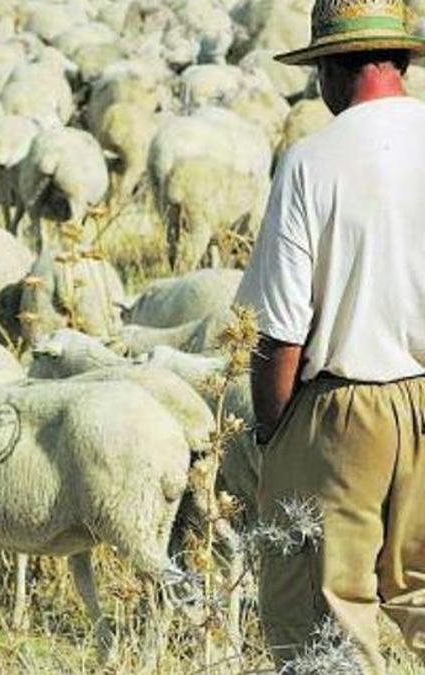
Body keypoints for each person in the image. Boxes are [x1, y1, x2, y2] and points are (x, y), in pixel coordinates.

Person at [236, 0, 425, 672]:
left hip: (347, 408)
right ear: (400, 59)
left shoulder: (313, 161)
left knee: (326, 618)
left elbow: (280, 327)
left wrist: (273, 433)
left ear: (331, 72)